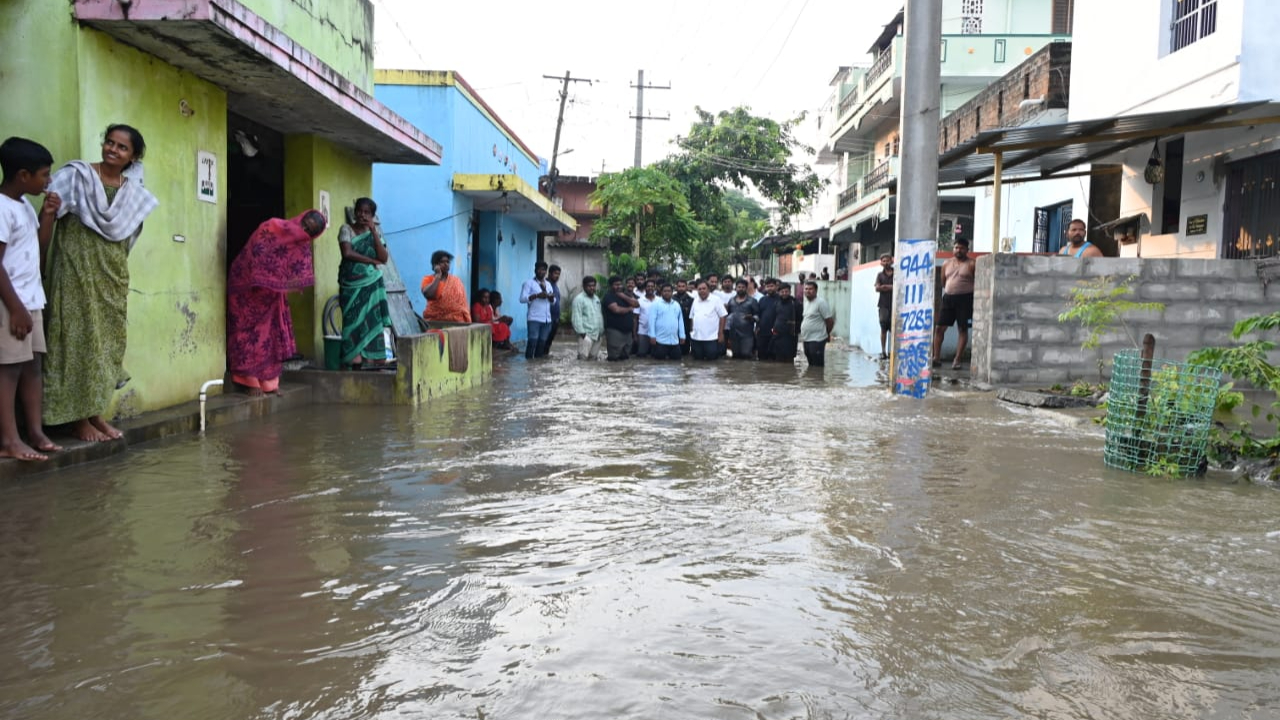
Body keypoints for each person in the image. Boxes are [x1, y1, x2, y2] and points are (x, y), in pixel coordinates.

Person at [43, 123, 158, 443]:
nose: (112, 150)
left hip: (111, 275)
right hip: (75, 271)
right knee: (75, 341)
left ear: (133, 156)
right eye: (109, 142)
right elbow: (50, 215)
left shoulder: (132, 192)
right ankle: (75, 419)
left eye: (122, 147)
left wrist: (112, 266)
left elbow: (131, 236)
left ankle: (95, 413)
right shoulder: (76, 176)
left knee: (106, 345)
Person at [0, 137, 62, 461]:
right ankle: (10, 440)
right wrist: (15, 309)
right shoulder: (1, 208)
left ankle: (35, 431)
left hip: (31, 298)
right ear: (23, 175)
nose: (47, 181)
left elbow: (37, 252)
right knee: (8, 370)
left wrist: (48, 215)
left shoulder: (24, 204)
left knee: (33, 366)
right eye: (43, 174)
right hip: (10, 302)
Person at [226, 210, 327, 395]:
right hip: (245, 287)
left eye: (309, 231)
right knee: (246, 332)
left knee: (268, 335)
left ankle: (268, 382)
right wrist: (263, 276)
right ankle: (246, 378)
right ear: (301, 218)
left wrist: (274, 282)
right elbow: (255, 251)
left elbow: (294, 274)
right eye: (305, 224)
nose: (303, 230)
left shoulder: (302, 247)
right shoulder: (272, 226)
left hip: (270, 295)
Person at [337, 197, 392, 369]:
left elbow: (383, 258)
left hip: (371, 286)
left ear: (372, 215)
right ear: (355, 212)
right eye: (359, 211)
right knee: (352, 322)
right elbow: (347, 253)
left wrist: (374, 231)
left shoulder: (374, 233)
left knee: (370, 322)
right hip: (350, 284)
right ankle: (354, 362)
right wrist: (370, 260)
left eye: (366, 212)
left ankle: (371, 360)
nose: (362, 215)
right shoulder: (346, 229)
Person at [934, 237, 976, 370]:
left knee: (962, 329)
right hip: (948, 298)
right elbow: (943, 281)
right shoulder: (946, 263)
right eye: (956, 247)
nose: (959, 250)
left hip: (965, 299)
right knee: (939, 328)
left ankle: (957, 360)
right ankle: (936, 357)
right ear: (953, 249)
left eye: (962, 248)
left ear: (967, 250)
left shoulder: (972, 264)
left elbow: (978, 281)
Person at [421, 249, 470, 323]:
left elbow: (462, 304)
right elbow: (429, 295)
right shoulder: (428, 279)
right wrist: (437, 277)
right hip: (435, 321)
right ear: (435, 265)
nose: (446, 264)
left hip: (457, 321)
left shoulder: (457, 281)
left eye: (447, 262)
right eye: (442, 262)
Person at [519, 261, 554, 360]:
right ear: (535, 270)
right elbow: (522, 299)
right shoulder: (528, 283)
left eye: (543, 270)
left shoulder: (548, 284)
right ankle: (529, 363)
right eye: (539, 269)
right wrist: (536, 296)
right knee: (532, 342)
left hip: (547, 319)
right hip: (534, 318)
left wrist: (551, 298)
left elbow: (553, 302)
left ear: (546, 272)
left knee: (542, 344)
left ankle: (537, 366)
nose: (541, 272)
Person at [799, 280, 834, 367]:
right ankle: (813, 380)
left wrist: (826, 334)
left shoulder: (821, 302)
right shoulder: (806, 302)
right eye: (806, 289)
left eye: (810, 289)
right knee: (811, 365)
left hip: (817, 339)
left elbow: (829, 321)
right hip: (807, 339)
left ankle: (818, 380)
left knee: (817, 365)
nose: (808, 291)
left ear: (816, 290)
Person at [646, 283, 686, 360]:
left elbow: (680, 321)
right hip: (660, 341)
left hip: (674, 341)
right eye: (665, 291)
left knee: (677, 362)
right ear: (661, 292)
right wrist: (652, 336)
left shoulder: (676, 305)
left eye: (669, 291)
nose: (667, 293)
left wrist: (682, 335)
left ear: (672, 292)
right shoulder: (656, 304)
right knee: (659, 364)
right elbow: (651, 321)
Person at [689, 281, 727, 361]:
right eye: (699, 289)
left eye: (704, 288)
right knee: (697, 361)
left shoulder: (716, 300)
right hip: (697, 337)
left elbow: (723, 316)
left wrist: (721, 333)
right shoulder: (695, 301)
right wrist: (692, 332)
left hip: (711, 337)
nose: (702, 291)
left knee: (712, 361)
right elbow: (692, 317)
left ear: (708, 289)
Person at [601, 276, 637, 361]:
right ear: (610, 286)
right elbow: (616, 310)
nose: (619, 286)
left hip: (627, 332)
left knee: (625, 357)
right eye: (616, 285)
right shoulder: (608, 297)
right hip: (615, 331)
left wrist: (623, 296)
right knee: (614, 358)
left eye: (620, 284)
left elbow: (636, 304)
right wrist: (629, 309)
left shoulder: (625, 295)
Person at [725, 278, 759, 360]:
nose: (740, 289)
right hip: (734, 334)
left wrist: (752, 318)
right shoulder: (731, 301)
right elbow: (728, 315)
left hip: (747, 334)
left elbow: (758, 316)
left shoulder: (752, 301)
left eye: (743, 287)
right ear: (735, 288)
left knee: (746, 354)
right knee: (735, 355)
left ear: (746, 288)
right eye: (739, 287)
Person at [571, 276, 604, 360]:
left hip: (597, 335)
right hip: (586, 336)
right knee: (582, 361)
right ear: (584, 286)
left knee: (593, 360)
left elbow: (599, 315)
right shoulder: (579, 299)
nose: (592, 288)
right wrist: (583, 335)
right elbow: (576, 318)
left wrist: (601, 332)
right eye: (589, 286)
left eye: (593, 286)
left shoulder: (596, 298)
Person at [771, 282, 800, 362]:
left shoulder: (795, 303)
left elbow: (800, 319)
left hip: (790, 337)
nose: (784, 293)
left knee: (789, 360)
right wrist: (773, 331)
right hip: (778, 336)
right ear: (779, 292)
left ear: (790, 292)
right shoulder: (777, 303)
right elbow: (773, 318)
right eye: (782, 292)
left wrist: (796, 330)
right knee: (778, 359)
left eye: (786, 291)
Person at [874, 254, 895, 360]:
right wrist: (890, 287)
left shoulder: (896, 273)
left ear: (892, 261)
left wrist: (885, 287)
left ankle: (892, 351)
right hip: (883, 305)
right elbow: (877, 288)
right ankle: (883, 352)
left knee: (894, 329)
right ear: (881, 263)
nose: (886, 263)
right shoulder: (879, 275)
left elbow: (899, 286)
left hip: (895, 305)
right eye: (884, 261)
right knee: (883, 328)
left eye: (888, 260)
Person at [756, 278, 779, 361]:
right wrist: (757, 328)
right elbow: (758, 315)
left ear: (776, 287)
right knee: (762, 357)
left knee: (774, 357)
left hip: (775, 333)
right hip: (762, 333)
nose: (770, 288)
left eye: (772, 286)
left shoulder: (780, 299)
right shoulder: (762, 300)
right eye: (768, 286)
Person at [634, 280, 657, 358]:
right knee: (641, 355)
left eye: (652, 286)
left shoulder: (659, 300)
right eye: (648, 286)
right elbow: (635, 318)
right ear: (645, 288)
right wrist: (635, 335)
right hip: (643, 332)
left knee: (655, 356)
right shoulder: (639, 301)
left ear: (655, 287)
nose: (650, 288)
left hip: (656, 332)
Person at [544, 264, 563, 354]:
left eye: (559, 274)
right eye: (555, 273)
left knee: (549, 342)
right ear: (550, 273)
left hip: (555, 319)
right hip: (547, 319)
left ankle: (544, 359)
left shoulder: (555, 286)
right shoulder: (546, 284)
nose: (557, 276)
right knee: (544, 341)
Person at [674, 278, 695, 356]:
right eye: (679, 286)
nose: (681, 288)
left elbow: (693, 316)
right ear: (676, 287)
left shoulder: (691, 300)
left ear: (686, 287)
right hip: (674, 329)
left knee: (685, 352)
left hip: (686, 329)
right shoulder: (672, 299)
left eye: (683, 286)